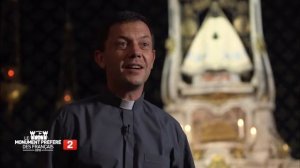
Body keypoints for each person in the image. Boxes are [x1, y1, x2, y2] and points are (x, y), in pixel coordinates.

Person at [46, 11, 195, 168]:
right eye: (122, 44)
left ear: (152, 59)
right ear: (101, 58)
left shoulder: (170, 130)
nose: (136, 53)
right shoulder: (70, 121)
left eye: (144, 45)